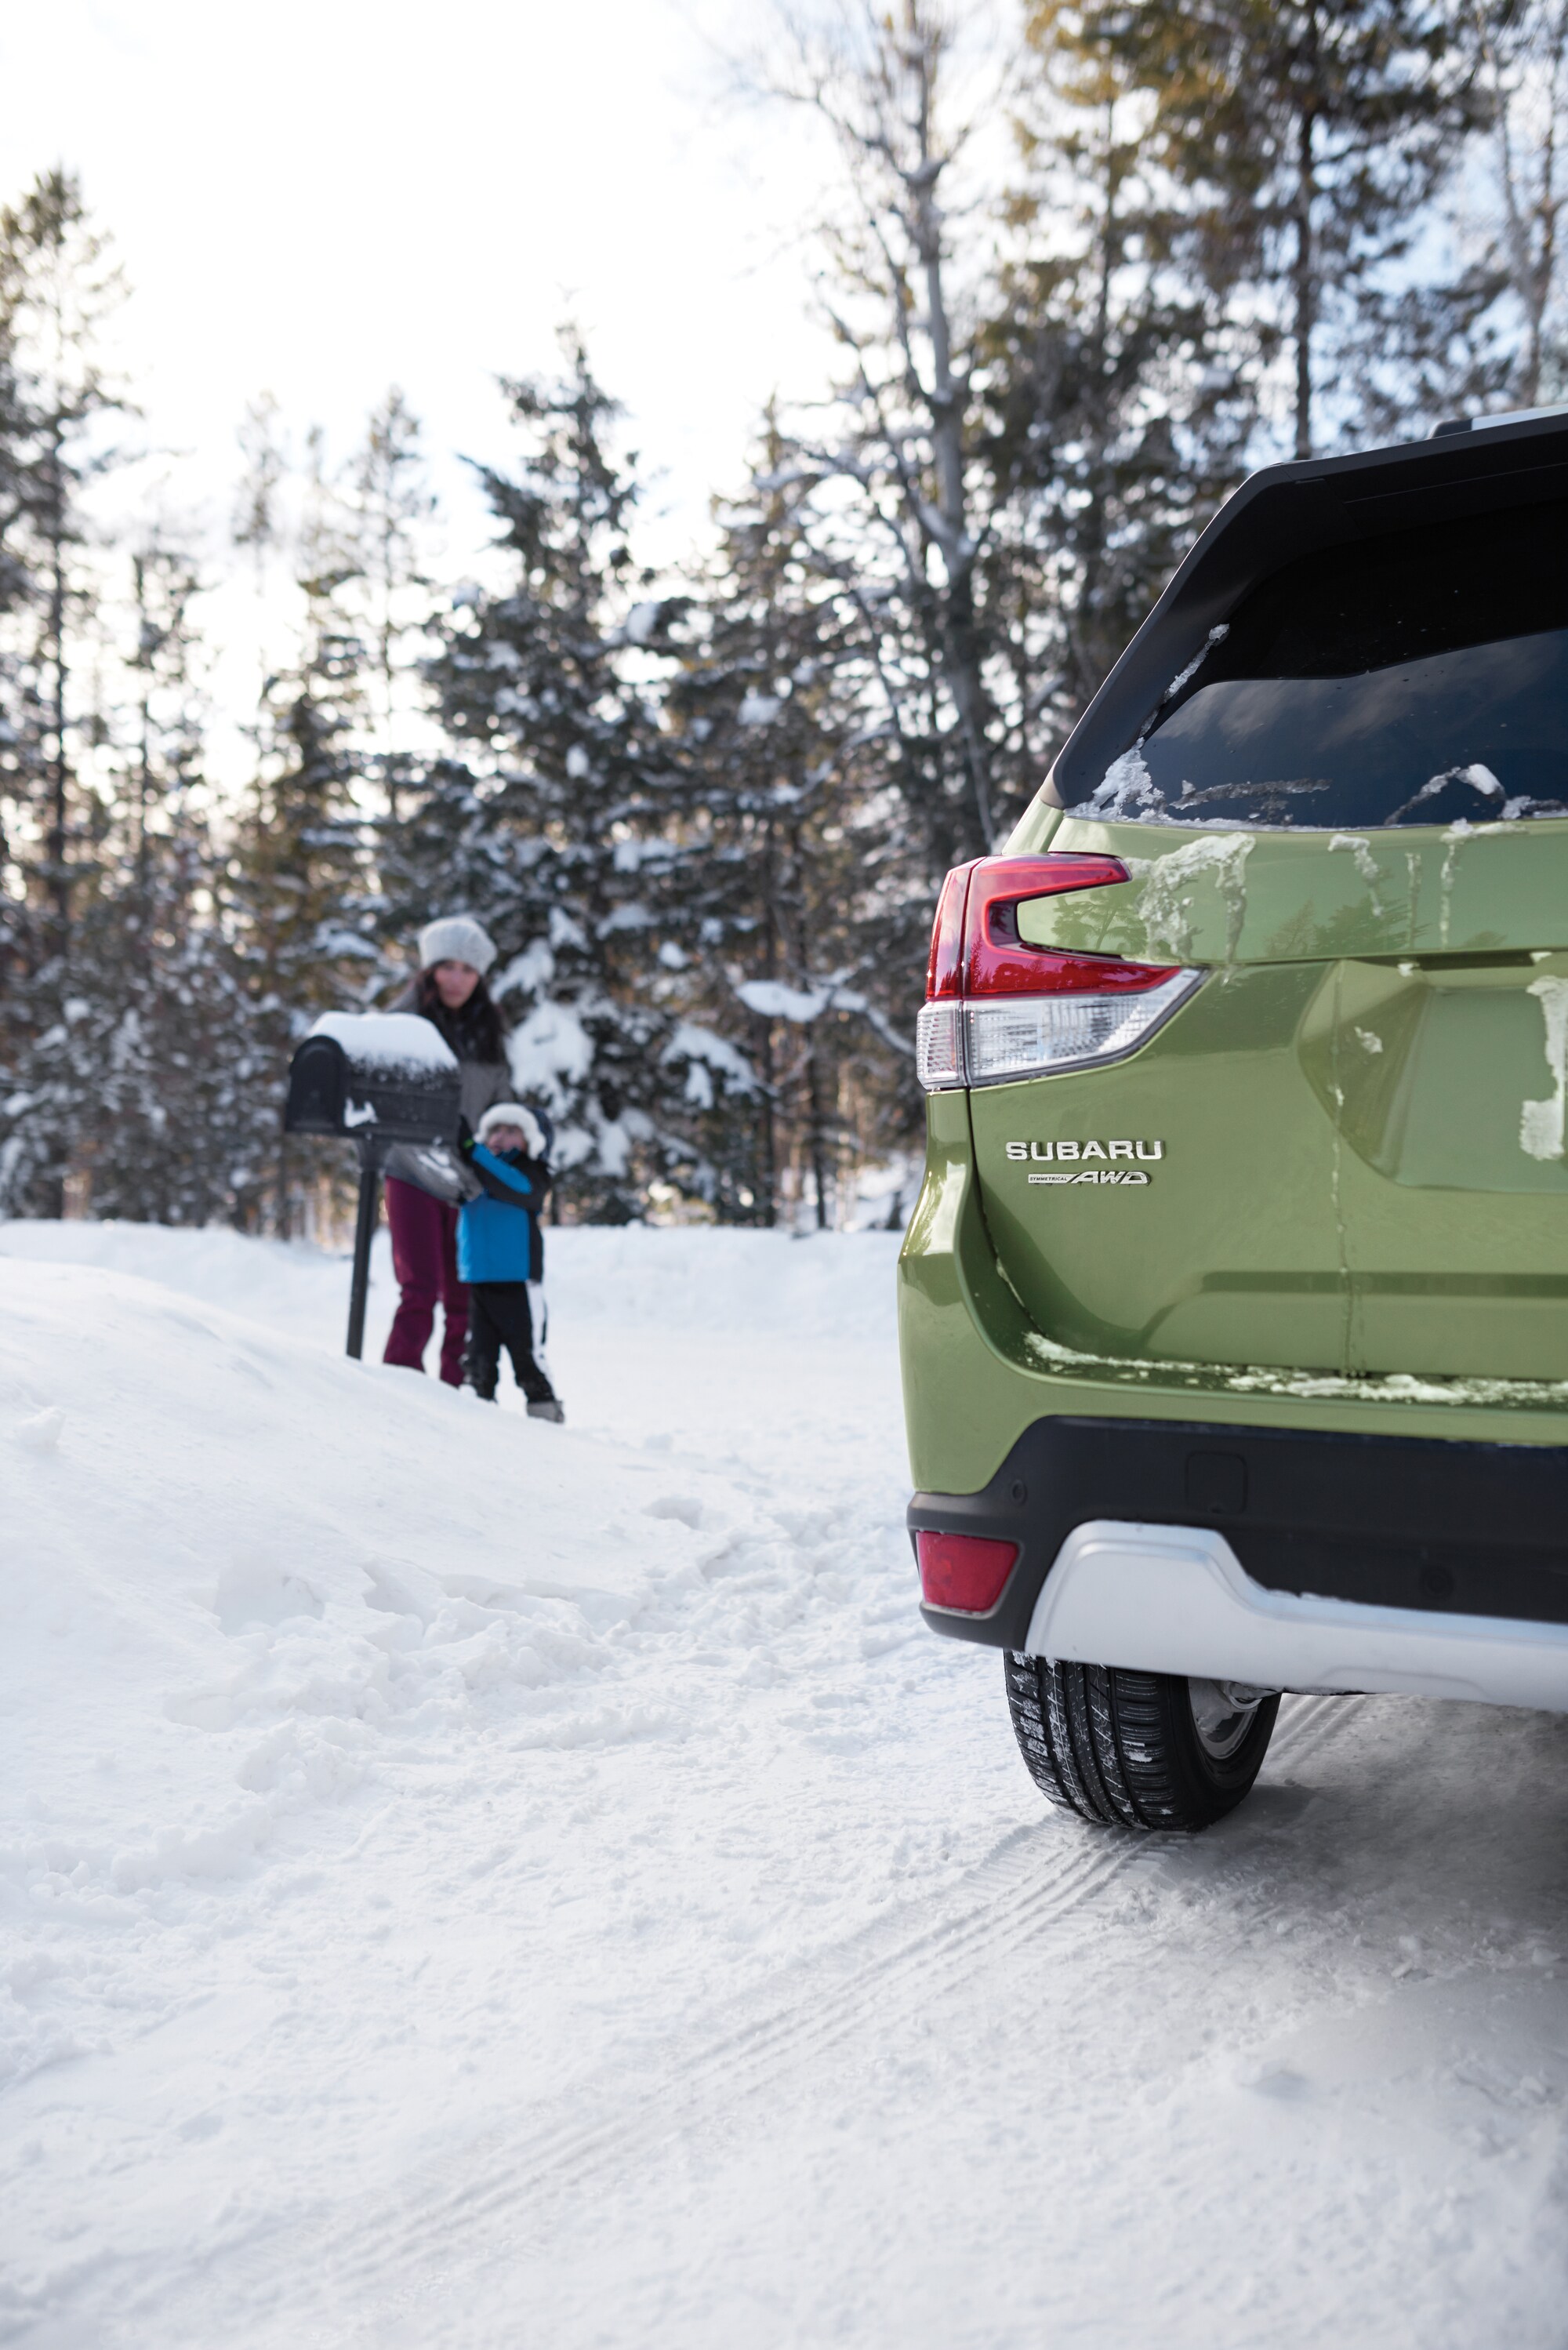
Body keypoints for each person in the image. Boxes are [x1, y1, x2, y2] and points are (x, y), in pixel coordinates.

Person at [381, 916, 513, 1385]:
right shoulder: (403, 1024)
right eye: (447, 967)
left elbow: (502, 1105)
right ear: (430, 970)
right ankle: (398, 1389)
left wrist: (503, 1141)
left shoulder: (490, 1034)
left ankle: (458, 1399)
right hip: (410, 1171)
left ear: (479, 978)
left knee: (463, 1296)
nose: (456, 979)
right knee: (419, 1290)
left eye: (468, 970)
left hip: (468, 1180)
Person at [457, 1102, 564, 1422]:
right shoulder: (476, 1171)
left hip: (518, 1282)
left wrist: (473, 1151)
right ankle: (479, 1417)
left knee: (526, 1357)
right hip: (479, 1280)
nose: (499, 1137)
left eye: (510, 1131)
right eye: (494, 1130)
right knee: (478, 1359)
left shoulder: (532, 1173)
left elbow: (515, 1186)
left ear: (531, 1141)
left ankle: (545, 1413)